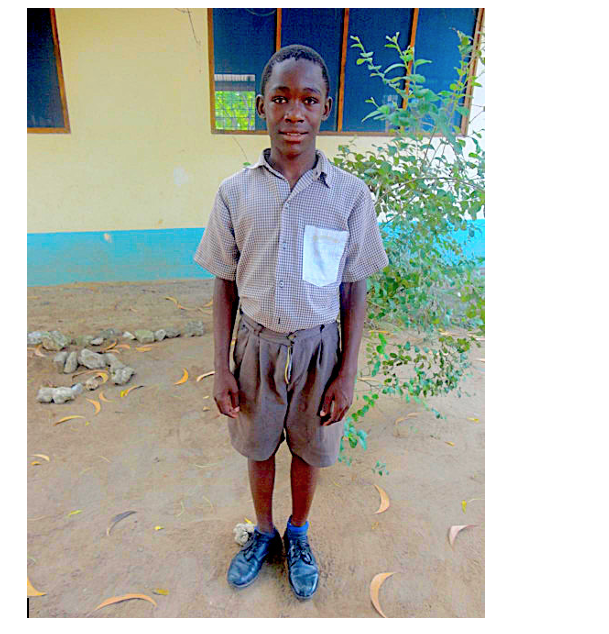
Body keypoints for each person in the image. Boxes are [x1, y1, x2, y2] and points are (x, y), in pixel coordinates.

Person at [193, 44, 389, 600]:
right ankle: (263, 532)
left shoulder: (349, 197)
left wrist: (346, 373)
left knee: (310, 448)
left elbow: (354, 287)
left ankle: (298, 531)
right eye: (281, 98)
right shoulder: (234, 193)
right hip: (254, 348)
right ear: (261, 106)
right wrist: (221, 367)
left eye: (308, 99)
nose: (293, 112)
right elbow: (224, 281)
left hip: (319, 350)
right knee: (258, 448)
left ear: (326, 107)